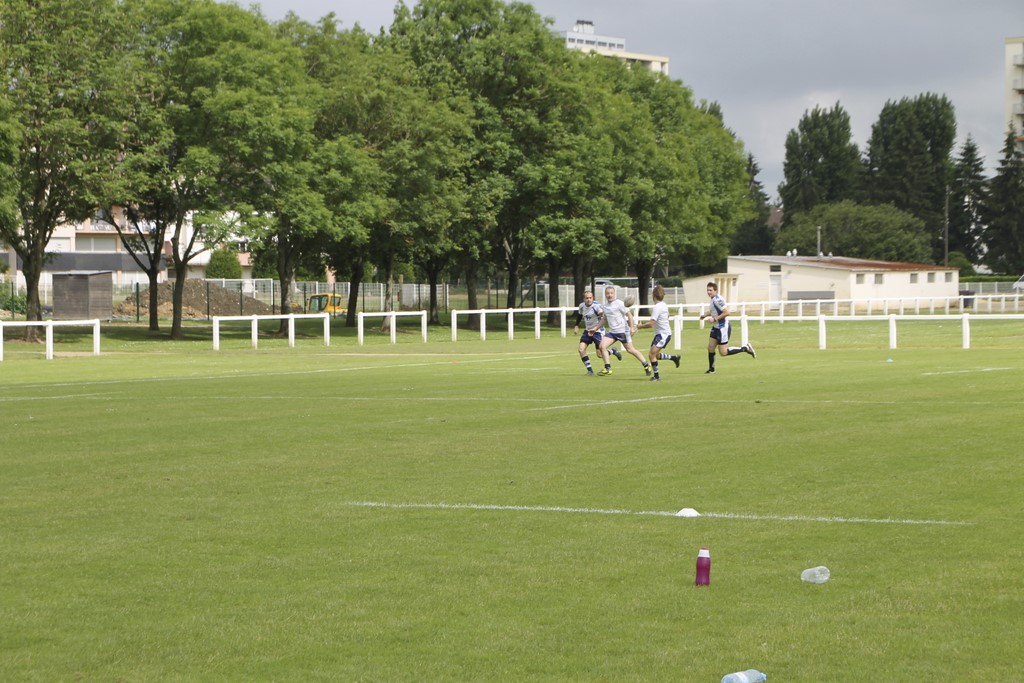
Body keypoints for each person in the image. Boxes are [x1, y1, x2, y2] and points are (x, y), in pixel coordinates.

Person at [596, 286, 651, 376]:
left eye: (611, 293)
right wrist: (595, 328)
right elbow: (604, 319)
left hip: (623, 332)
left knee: (630, 349)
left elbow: (629, 315)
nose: (609, 295)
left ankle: (646, 364)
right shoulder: (605, 306)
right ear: (605, 294)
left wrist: (632, 327)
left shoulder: (620, 303)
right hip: (612, 332)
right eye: (608, 293)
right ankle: (607, 368)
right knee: (602, 346)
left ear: (614, 294)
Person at [702, 282, 755, 374]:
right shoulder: (713, 299)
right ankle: (712, 369)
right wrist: (705, 315)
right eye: (707, 290)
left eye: (710, 290)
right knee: (710, 347)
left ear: (715, 290)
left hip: (722, 328)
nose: (708, 292)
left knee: (723, 352)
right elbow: (714, 311)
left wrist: (714, 319)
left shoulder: (717, 300)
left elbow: (727, 312)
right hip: (716, 327)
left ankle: (745, 348)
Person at [635, 284, 681, 381]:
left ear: (653, 295)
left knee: (651, 355)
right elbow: (667, 317)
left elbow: (651, 323)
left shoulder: (657, 307)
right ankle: (674, 358)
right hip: (663, 334)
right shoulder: (663, 305)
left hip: (663, 334)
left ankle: (656, 376)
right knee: (655, 355)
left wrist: (640, 326)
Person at [573, 289, 615, 375]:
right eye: (587, 298)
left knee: (599, 355)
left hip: (598, 331)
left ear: (593, 298)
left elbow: (603, 315)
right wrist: (576, 325)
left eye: (590, 298)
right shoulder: (582, 306)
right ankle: (590, 370)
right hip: (587, 331)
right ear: (584, 299)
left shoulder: (596, 306)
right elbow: (580, 315)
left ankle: (612, 351)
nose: (589, 299)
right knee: (581, 349)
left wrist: (603, 314)